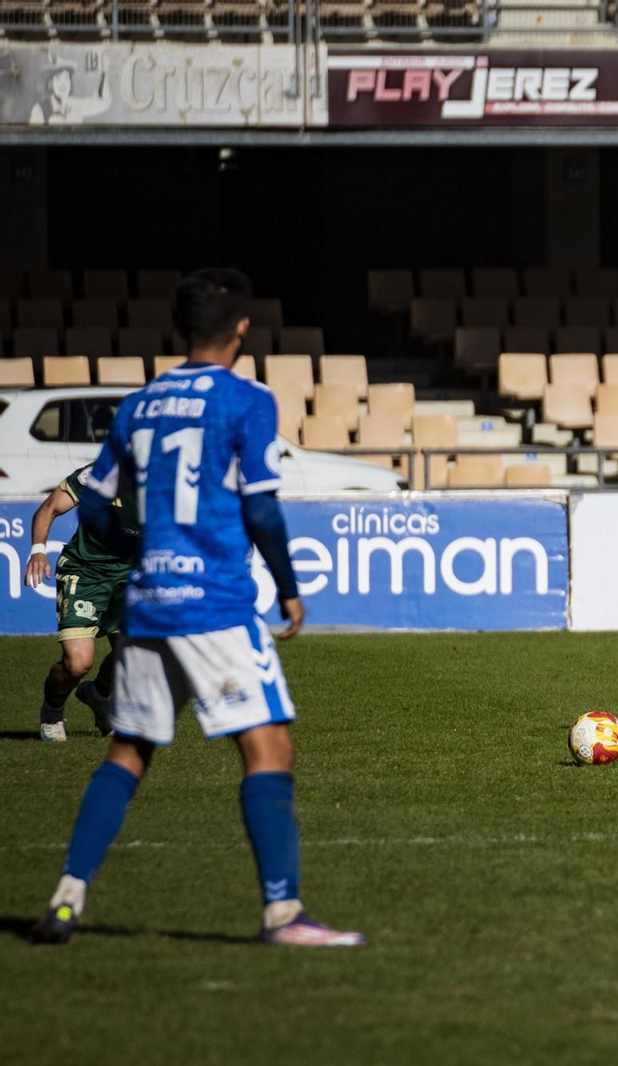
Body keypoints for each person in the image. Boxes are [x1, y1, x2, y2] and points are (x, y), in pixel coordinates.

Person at [33, 269, 363, 947]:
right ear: (242, 328)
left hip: (148, 602)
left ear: (180, 329)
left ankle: (67, 896)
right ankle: (283, 914)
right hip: (215, 602)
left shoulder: (138, 406)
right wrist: (288, 586)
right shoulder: (247, 399)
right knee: (268, 746)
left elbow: (91, 506)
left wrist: (144, 546)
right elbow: (261, 508)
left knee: (129, 752)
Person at [26, 465, 136, 741]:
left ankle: (98, 694)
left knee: (135, 655)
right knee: (77, 664)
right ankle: (53, 708)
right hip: (86, 573)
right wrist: (38, 551)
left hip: (133, 576)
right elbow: (50, 507)